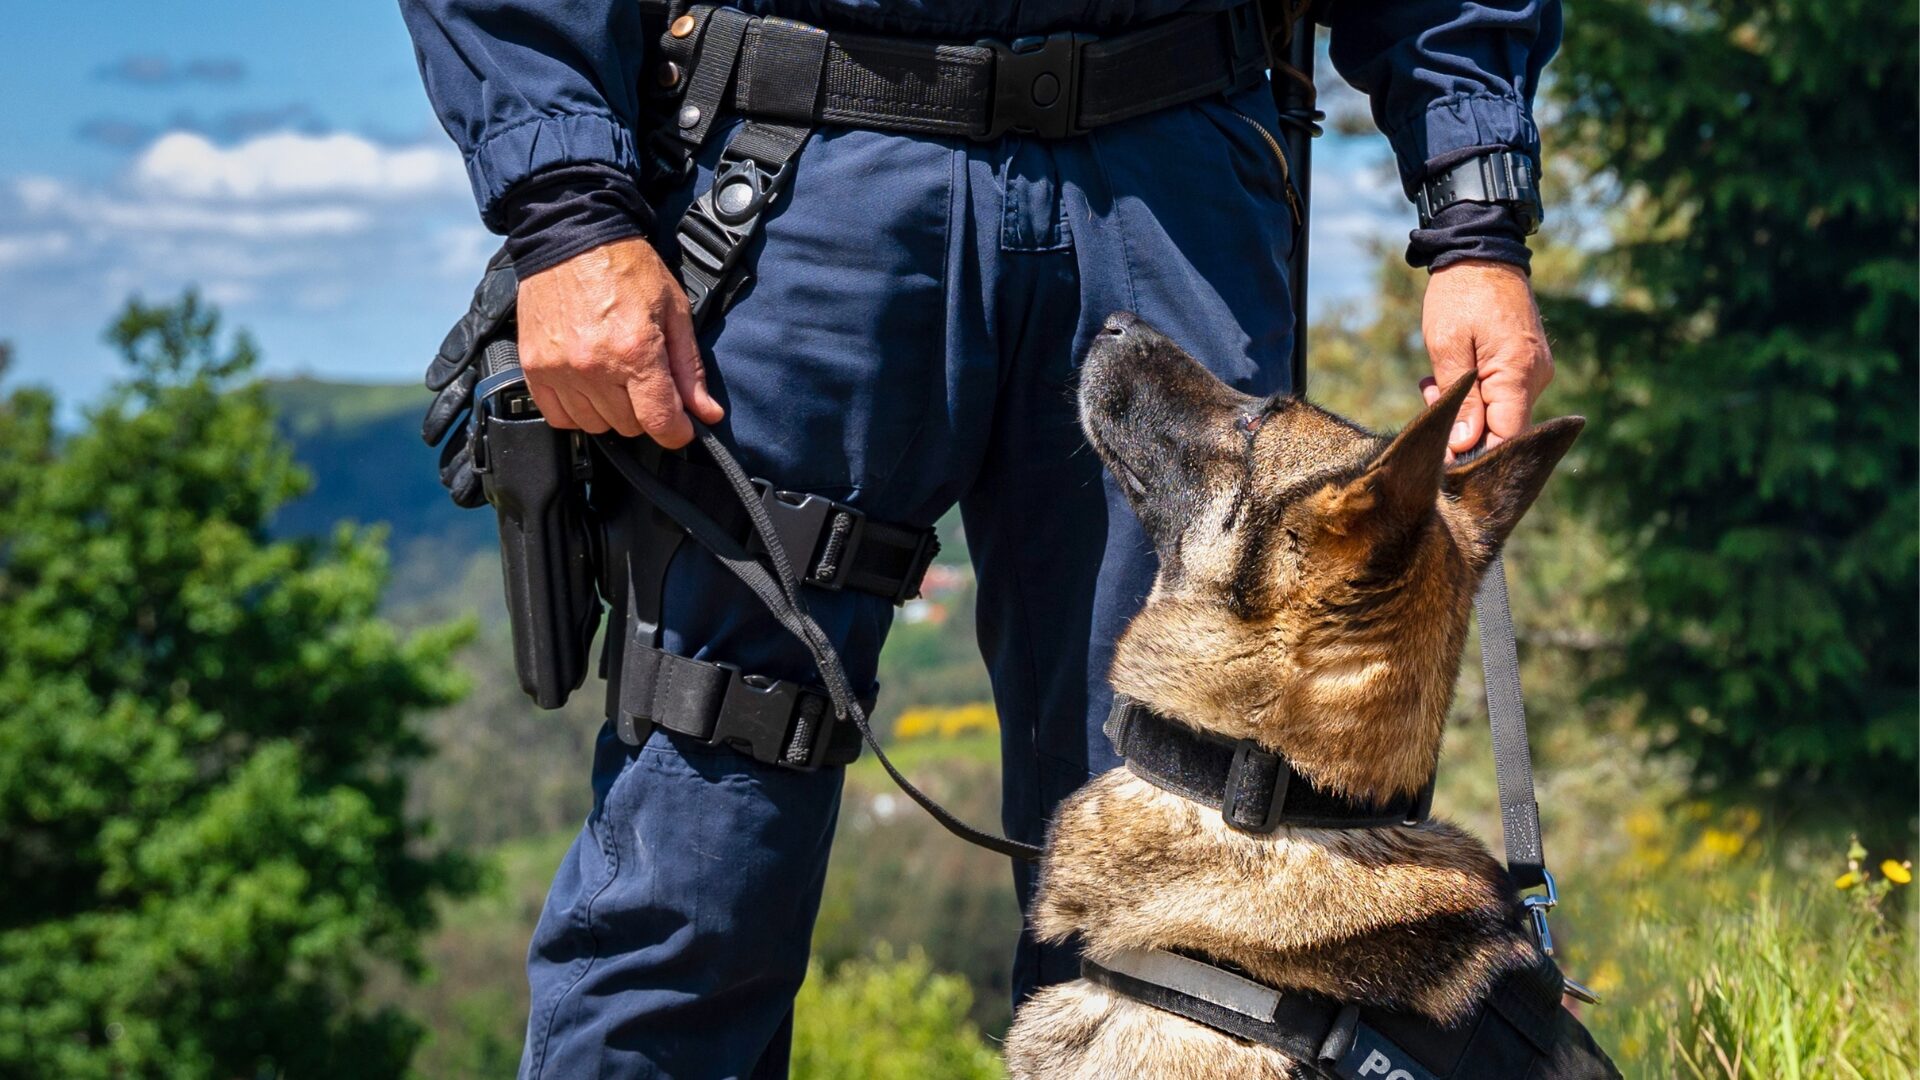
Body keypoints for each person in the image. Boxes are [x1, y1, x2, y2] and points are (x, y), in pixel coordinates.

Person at [399, 1, 1563, 1076]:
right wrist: (565, 208)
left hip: (1173, 151)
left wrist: (1476, 214)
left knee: (1204, 912)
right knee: (698, 870)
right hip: (806, 150)